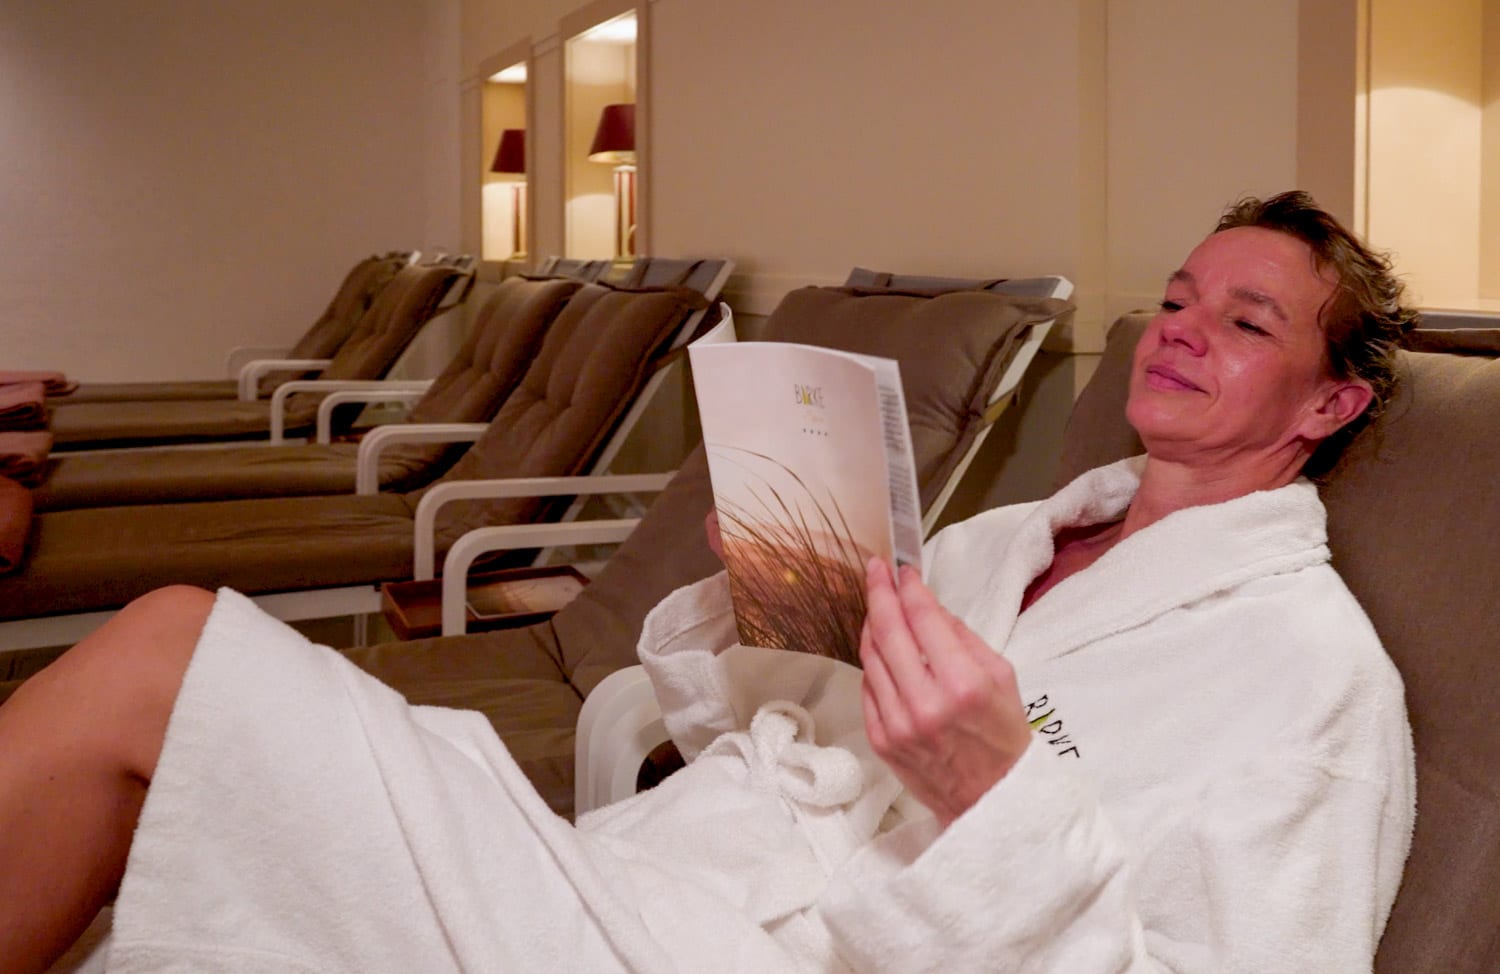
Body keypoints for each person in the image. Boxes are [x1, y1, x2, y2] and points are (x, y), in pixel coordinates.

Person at [0, 191, 1417, 973]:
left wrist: (1001, 800)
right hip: (656, 874)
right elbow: (786, 727)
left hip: (748, 950)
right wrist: (781, 591)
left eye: (1247, 322)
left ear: (1329, 403)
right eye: (1174, 299)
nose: (1181, 331)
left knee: (172, 656)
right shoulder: (1010, 540)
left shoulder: (1312, 679)